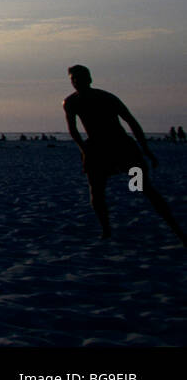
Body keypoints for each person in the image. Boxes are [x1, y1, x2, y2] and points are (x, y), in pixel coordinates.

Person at [63, 65, 186, 245]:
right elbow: (73, 130)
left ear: (89, 79)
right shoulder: (71, 102)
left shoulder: (107, 98)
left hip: (122, 147)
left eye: (80, 78)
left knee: (142, 187)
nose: (76, 82)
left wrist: (145, 149)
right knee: (96, 190)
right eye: (73, 79)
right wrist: (84, 150)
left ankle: (175, 228)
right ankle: (106, 230)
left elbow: (131, 122)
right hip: (97, 150)